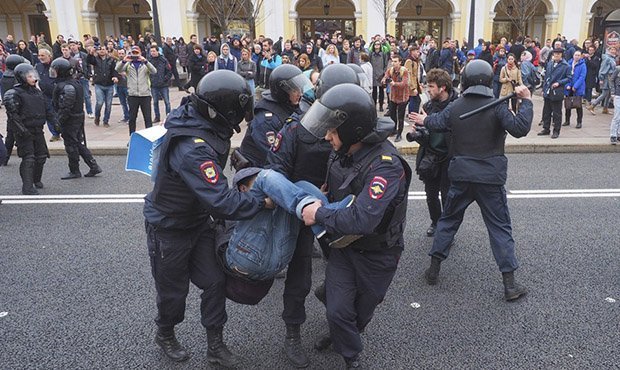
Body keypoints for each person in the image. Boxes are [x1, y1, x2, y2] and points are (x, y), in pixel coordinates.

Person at [143, 70, 266, 367]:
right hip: (169, 227)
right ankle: (165, 333)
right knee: (174, 292)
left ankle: (215, 345)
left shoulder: (200, 120)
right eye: (236, 110)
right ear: (222, 109)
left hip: (197, 222)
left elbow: (213, 159)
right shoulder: (192, 149)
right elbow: (222, 201)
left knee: (213, 282)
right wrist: (262, 201)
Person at [301, 83, 411, 369]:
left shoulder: (386, 166)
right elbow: (332, 186)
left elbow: (362, 219)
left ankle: (344, 330)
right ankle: (351, 356)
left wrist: (320, 213)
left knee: (361, 312)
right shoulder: (342, 151)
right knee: (338, 312)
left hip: (379, 253)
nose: (327, 137)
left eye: (333, 132)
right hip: (344, 250)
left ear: (353, 131)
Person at [409, 60, 532, 301]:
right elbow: (519, 128)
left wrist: (424, 121)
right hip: (489, 178)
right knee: (499, 228)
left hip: (461, 174)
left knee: (448, 221)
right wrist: (526, 101)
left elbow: (436, 123)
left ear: (465, 81)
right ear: (488, 80)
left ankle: (433, 270)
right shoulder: (496, 106)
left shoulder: (456, 106)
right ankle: (509, 285)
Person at [265, 63, 360, 368]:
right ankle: (293, 331)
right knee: (299, 276)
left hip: (337, 213)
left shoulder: (355, 128)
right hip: (300, 212)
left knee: (350, 269)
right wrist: (297, 195)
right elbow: (275, 170)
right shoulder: (296, 127)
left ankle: (341, 320)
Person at [407, 68, 458, 237]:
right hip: (431, 157)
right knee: (430, 195)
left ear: (442, 87)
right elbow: (425, 136)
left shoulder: (456, 106)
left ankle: (447, 228)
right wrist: (417, 132)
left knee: (447, 196)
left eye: (431, 86)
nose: (428, 90)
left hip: (450, 158)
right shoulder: (428, 106)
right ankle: (436, 222)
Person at [234, 64, 312, 169]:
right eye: (295, 90)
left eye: (300, 89)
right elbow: (274, 156)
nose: (300, 93)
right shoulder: (266, 120)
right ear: (283, 92)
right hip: (258, 172)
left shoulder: (291, 107)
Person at [4, 63, 54, 194]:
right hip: (24, 131)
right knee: (29, 158)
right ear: (22, 77)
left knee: (42, 156)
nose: (34, 78)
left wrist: (56, 124)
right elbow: (13, 116)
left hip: (38, 129)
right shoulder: (13, 93)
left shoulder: (37, 92)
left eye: (34, 76)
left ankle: (36, 180)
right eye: (30, 76)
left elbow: (47, 109)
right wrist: (22, 131)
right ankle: (27, 186)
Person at [50, 58, 102, 179]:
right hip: (76, 117)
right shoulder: (72, 83)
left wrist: (59, 121)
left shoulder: (67, 86)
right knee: (77, 143)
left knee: (71, 144)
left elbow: (66, 106)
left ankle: (75, 170)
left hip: (71, 119)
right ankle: (93, 166)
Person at [116, 46, 157, 136]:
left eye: (136, 53)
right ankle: (132, 136)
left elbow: (154, 71)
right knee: (132, 118)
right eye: (133, 53)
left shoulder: (145, 64)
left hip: (145, 94)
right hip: (133, 95)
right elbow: (118, 69)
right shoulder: (128, 65)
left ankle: (150, 137)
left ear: (140, 53)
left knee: (148, 118)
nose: (135, 55)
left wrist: (145, 61)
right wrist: (124, 60)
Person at [538, 48, 570, 139]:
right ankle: (546, 128)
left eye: (558, 54)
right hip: (548, 90)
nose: (556, 56)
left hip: (557, 91)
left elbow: (569, 78)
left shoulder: (565, 66)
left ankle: (556, 131)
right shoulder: (550, 63)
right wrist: (544, 89)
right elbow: (547, 76)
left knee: (557, 113)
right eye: (555, 54)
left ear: (561, 55)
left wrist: (559, 83)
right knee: (546, 111)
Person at [87, 45, 118, 127]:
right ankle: (97, 117)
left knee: (108, 104)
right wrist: (90, 53)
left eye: (103, 49)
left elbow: (114, 70)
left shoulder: (111, 60)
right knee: (100, 102)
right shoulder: (95, 59)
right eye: (100, 49)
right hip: (99, 84)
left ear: (106, 50)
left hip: (109, 85)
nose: (101, 51)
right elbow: (89, 60)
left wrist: (115, 77)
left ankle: (106, 121)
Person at [34, 49, 62, 142]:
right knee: (49, 115)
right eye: (39, 55)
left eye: (43, 55)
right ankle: (55, 134)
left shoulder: (56, 65)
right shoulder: (38, 66)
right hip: (45, 95)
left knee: (60, 114)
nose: (40, 57)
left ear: (49, 56)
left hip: (57, 94)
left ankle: (63, 131)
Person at [382, 54, 409, 142]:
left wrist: (395, 84)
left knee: (400, 117)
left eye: (395, 61)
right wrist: (384, 79)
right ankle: (393, 130)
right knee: (392, 115)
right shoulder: (391, 70)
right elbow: (386, 76)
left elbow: (404, 84)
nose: (393, 63)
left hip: (402, 98)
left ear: (400, 62)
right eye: (392, 61)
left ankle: (399, 134)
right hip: (393, 97)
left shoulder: (404, 71)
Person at [587, 46, 617, 115]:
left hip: (611, 78)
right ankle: (592, 105)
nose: (613, 51)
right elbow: (602, 69)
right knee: (605, 93)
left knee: (608, 94)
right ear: (608, 50)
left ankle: (605, 109)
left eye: (614, 50)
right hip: (606, 77)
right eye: (612, 49)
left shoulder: (612, 58)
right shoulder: (607, 58)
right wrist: (601, 78)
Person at [147, 45, 172, 124]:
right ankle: (157, 117)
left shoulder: (163, 60)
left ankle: (169, 116)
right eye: (151, 51)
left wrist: (165, 79)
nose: (152, 53)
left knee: (167, 102)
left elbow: (169, 71)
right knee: (155, 102)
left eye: (154, 51)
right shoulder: (149, 60)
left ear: (158, 51)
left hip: (163, 85)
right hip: (154, 85)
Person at [563, 50, 586, 128]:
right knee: (568, 104)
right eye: (575, 55)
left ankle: (579, 122)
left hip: (578, 87)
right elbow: (566, 75)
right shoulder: (568, 63)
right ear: (573, 56)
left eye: (578, 55)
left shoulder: (582, 65)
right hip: (569, 87)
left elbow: (582, 77)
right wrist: (567, 85)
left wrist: (575, 86)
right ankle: (567, 120)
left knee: (578, 105)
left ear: (580, 56)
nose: (577, 56)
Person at [369, 40, 388, 111]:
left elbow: (386, 64)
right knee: (374, 91)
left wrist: (384, 73)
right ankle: (374, 105)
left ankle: (380, 105)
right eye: (375, 44)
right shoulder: (371, 54)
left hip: (381, 74)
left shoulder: (383, 54)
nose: (377, 46)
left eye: (378, 44)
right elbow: (369, 63)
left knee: (381, 91)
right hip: (373, 74)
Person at [404, 45, 422, 114]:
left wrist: (419, 84)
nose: (418, 53)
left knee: (415, 100)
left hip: (415, 83)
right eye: (417, 52)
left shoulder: (416, 61)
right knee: (415, 100)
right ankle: (412, 114)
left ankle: (412, 113)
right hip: (411, 85)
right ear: (412, 52)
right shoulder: (409, 61)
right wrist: (413, 87)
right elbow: (409, 75)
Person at [114, 48, 130, 123]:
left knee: (129, 102)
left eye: (122, 53)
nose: (121, 55)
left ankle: (130, 117)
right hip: (119, 85)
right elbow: (115, 71)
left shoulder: (128, 62)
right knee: (123, 102)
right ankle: (126, 116)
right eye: (119, 53)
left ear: (125, 54)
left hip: (127, 84)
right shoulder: (116, 62)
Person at [610, 63, 620, 145]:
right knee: (617, 116)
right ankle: (613, 135)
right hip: (618, 95)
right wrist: (612, 92)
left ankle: (619, 133)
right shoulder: (618, 69)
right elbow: (611, 79)